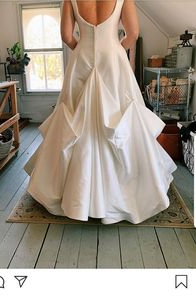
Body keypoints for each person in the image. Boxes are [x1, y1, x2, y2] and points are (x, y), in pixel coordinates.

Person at [24, 0, 177, 224]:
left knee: (76, 120)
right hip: (112, 59)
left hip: (81, 58)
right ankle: (124, 193)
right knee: (121, 118)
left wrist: (83, 48)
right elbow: (133, 33)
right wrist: (113, 47)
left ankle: (77, 197)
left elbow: (67, 36)